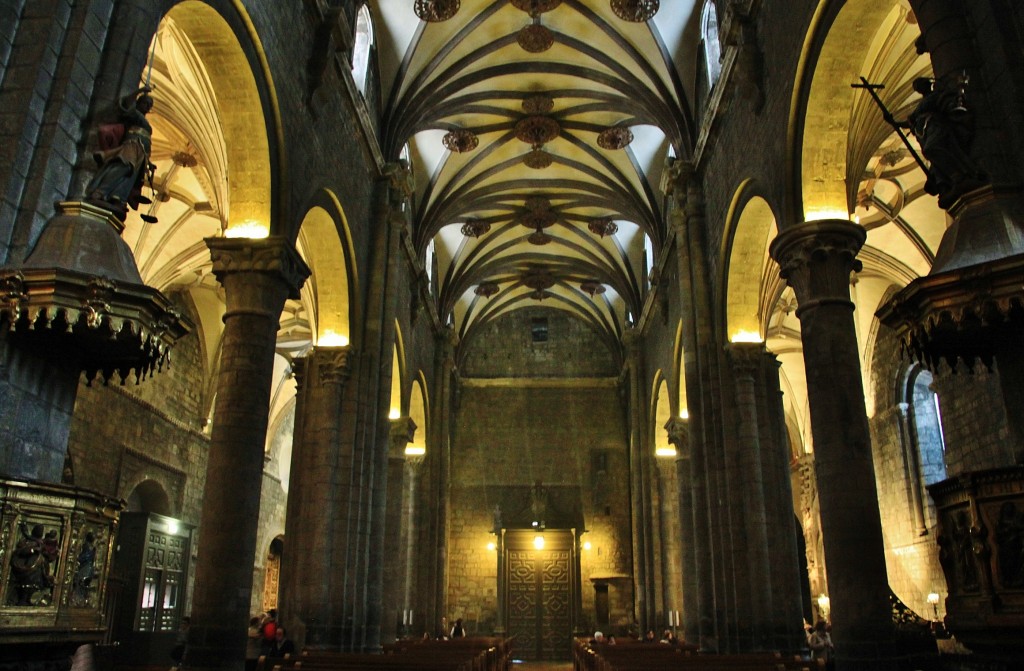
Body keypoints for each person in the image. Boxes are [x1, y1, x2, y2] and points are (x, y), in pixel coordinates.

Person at [85, 87, 157, 220]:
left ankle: (118, 198)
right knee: (122, 166)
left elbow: (146, 144)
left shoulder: (145, 123)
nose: (147, 107)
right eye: (145, 103)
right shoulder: (135, 114)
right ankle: (100, 191)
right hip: (131, 146)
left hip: (141, 153)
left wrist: (149, 164)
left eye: (150, 105)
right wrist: (139, 91)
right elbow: (126, 105)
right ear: (139, 103)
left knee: (130, 177)